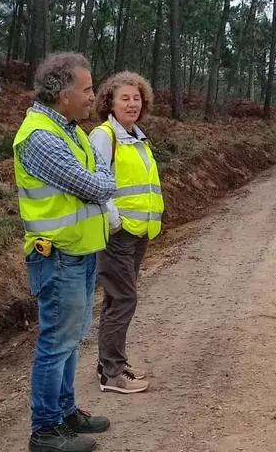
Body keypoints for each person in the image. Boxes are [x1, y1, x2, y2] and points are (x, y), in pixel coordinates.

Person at [13, 53, 116, 452]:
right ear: (62, 94)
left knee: (71, 339)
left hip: (79, 251)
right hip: (57, 256)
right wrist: (102, 177)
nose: (93, 96)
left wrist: (100, 177)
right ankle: (45, 431)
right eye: (87, 89)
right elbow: (96, 185)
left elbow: (99, 178)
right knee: (57, 343)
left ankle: (66, 412)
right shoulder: (40, 136)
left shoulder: (69, 130)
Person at [89, 72, 164, 394]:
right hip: (118, 233)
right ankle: (112, 373)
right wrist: (114, 221)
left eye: (137, 98)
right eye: (125, 98)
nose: (133, 104)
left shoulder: (136, 136)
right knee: (123, 298)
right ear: (110, 102)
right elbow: (96, 182)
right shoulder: (105, 136)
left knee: (116, 298)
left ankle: (108, 364)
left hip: (137, 232)